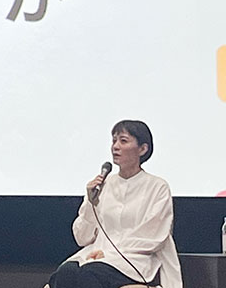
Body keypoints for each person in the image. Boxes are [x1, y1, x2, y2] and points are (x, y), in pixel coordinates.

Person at [45, 121, 182, 288]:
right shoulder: (103, 185)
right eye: (114, 141)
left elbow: (152, 236)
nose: (115, 147)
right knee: (65, 272)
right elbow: (82, 237)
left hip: (134, 259)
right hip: (96, 256)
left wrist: (109, 254)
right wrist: (91, 203)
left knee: (90, 274)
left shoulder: (157, 187)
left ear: (142, 149)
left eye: (123, 141)